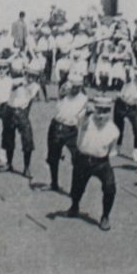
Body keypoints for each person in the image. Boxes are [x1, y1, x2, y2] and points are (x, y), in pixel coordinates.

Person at [53, 97, 120, 230]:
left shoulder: (114, 130)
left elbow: (111, 151)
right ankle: (74, 207)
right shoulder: (86, 120)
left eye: (105, 112)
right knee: (77, 187)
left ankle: (105, 216)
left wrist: (102, 159)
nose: (101, 115)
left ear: (109, 112)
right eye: (98, 111)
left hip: (101, 162)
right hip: (82, 159)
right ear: (94, 110)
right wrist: (87, 111)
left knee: (110, 187)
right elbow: (79, 118)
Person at [44, 80, 87, 193]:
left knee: (77, 159)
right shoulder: (64, 93)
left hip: (71, 129)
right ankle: (54, 183)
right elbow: (61, 92)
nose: (74, 89)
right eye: (73, 86)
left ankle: (75, 190)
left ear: (81, 87)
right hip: (56, 126)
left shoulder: (83, 99)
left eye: (77, 87)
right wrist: (64, 89)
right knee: (53, 157)